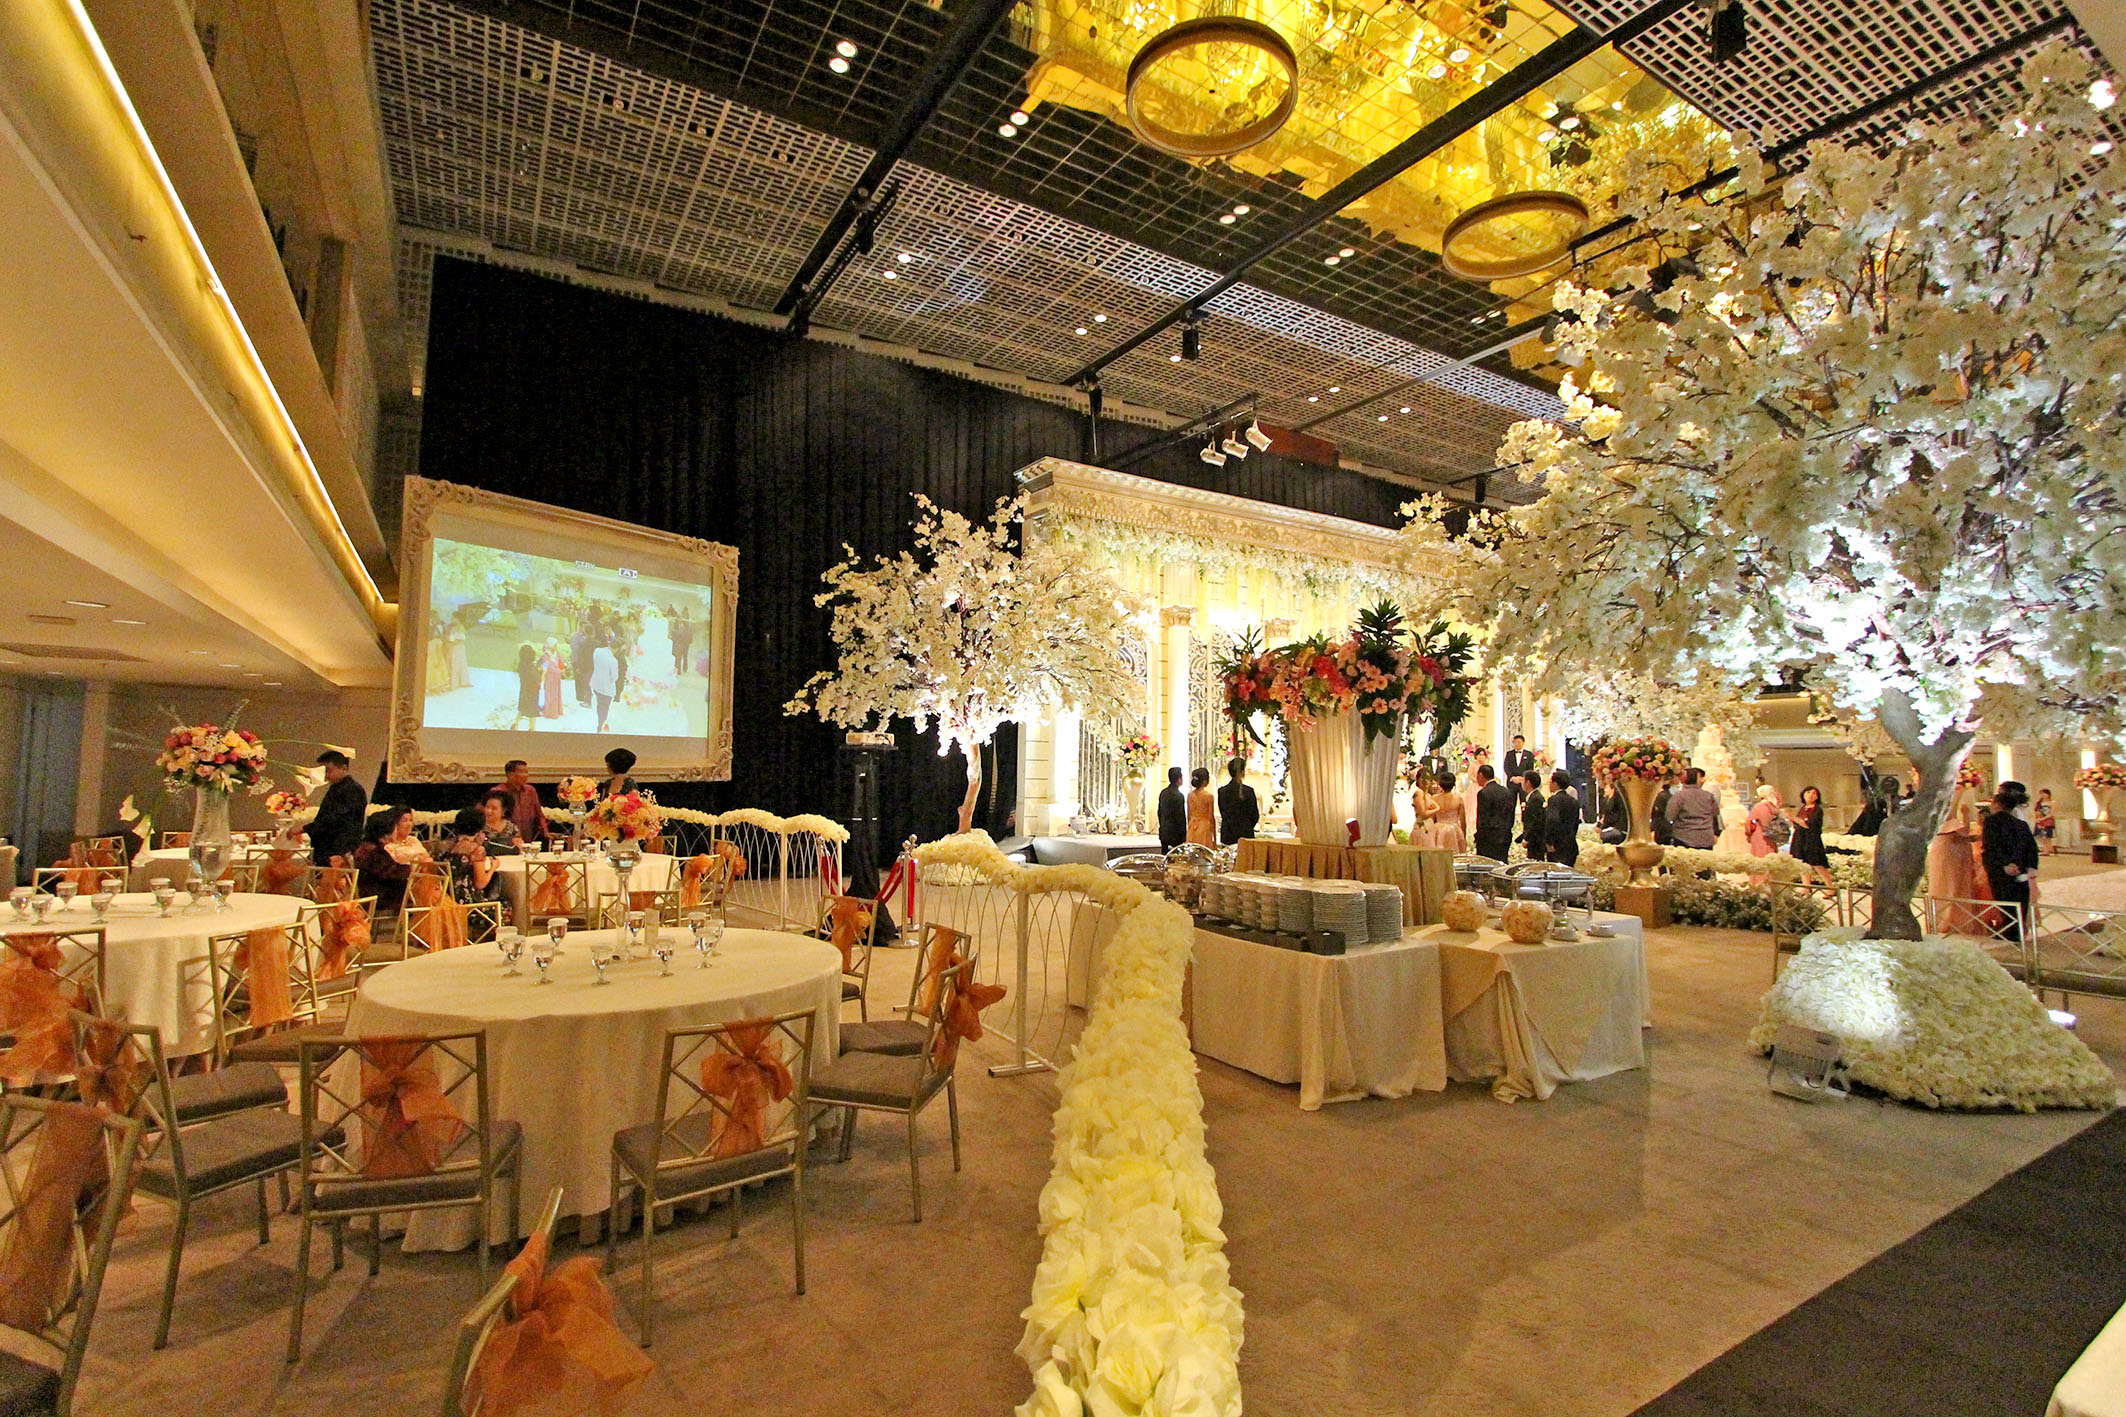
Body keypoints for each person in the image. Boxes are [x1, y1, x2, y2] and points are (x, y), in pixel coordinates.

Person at [1981, 780, 2040, 942]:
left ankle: (2011, 929)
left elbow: (1991, 846)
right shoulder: (2021, 824)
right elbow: (2031, 847)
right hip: (2021, 867)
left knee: (2004, 898)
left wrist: (2003, 864)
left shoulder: (1992, 822)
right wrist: (2030, 866)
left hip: (2002, 867)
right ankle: (2017, 929)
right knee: (2020, 898)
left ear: (1997, 804)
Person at [1928, 773, 1982, 933]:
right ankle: (1950, 921)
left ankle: (1949, 919)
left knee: (1953, 886)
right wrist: (1965, 816)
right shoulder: (1945, 822)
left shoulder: (1942, 821)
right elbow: (1963, 833)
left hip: (1950, 856)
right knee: (1952, 887)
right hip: (1949, 857)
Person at [305, 750, 367, 867]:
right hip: (329, 846)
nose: (325, 776)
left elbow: (335, 818)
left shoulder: (351, 789)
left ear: (344, 768)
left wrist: (305, 828)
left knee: (335, 876)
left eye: (328, 771)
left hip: (339, 847)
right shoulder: (337, 788)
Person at [351, 806, 418, 913]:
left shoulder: (366, 847)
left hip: (377, 894)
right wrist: (414, 868)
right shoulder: (374, 852)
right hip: (380, 899)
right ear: (387, 831)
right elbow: (395, 872)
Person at [491, 759, 552, 845]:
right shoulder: (497, 791)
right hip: (505, 842)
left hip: (527, 841)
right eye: (523, 772)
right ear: (510, 775)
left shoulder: (530, 791)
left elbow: (539, 814)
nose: (527, 775)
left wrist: (545, 831)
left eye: (527, 772)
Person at [1665, 767, 1722, 850]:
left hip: (1683, 837)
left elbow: (1670, 816)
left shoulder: (1678, 796)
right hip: (1706, 837)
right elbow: (1715, 813)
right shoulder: (1708, 796)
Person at [1787, 785, 1833, 885]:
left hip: (1812, 840)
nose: (1810, 795)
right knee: (1803, 864)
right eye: (1808, 793)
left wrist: (1793, 817)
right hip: (1800, 838)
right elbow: (1798, 824)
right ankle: (1806, 886)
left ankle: (1830, 886)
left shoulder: (1817, 810)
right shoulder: (1803, 808)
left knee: (1817, 863)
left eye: (1814, 793)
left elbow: (1809, 825)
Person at [1472, 765, 1514, 861]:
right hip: (1504, 836)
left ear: (1481, 775)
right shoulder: (1506, 791)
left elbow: (1482, 818)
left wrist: (1479, 836)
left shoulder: (1484, 793)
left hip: (1488, 838)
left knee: (1487, 864)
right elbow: (1511, 815)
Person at [1216, 758, 1258, 845]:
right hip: (1245, 832)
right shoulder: (1248, 791)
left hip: (1228, 832)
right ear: (1242, 772)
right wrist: (1247, 825)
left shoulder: (1222, 791)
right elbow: (1254, 815)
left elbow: (1223, 812)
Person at [1545, 769, 1580, 864]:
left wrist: (1549, 841)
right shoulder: (1573, 801)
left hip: (1557, 844)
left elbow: (1552, 820)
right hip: (1571, 843)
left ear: (1555, 784)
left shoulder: (1554, 800)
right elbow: (1576, 823)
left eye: (1550, 782)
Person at [1428, 769, 1467, 853]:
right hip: (1453, 829)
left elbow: (1431, 818)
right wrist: (1464, 837)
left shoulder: (1434, 798)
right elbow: (1463, 821)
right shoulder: (1458, 798)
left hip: (1437, 829)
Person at [479, 791, 525, 855]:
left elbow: (520, 848)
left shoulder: (512, 828)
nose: (489, 811)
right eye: (487, 807)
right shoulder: (479, 827)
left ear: (504, 810)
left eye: (493, 808)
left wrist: (519, 844)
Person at [1744, 785, 1785, 858]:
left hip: (1760, 836)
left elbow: (1749, 824)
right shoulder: (1774, 807)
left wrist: (1748, 833)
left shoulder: (1759, 806)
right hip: (1772, 836)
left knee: (1760, 858)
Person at [590, 633, 620, 732]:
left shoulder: (597, 651)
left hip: (596, 683)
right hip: (606, 688)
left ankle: (600, 724)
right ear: (616, 649)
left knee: (600, 705)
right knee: (604, 708)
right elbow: (614, 678)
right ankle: (601, 725)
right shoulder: (613, 660)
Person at [1156, 766, 1187, 853]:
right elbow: (1180, 817)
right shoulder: (1179, 796)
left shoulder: (1163, 793)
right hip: (1175, 833)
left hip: (1164, 830)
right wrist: (1184, 834)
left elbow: (1159, 812)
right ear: (1178, 779)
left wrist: (1162, 826)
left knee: (1165, 854)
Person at [1517, 772, 1547, 859]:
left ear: (1528, 782)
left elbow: (1535, 821)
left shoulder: (1535, 798)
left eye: (1523, 781)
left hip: (1535, 839)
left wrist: (1527, 838)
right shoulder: (1532, 797)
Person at [512, 643, 541, 731]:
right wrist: (541, 671)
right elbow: (537, 678)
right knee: (532, 713)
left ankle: (515, 724)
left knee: (522, 709)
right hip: (532, 693)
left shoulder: (522, 665)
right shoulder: (531, 668)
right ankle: (532, 729)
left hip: (524, 691)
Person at [1186, 767, 1216, 847]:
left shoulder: (1190, 795)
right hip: (1204, 827)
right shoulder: (1209, 796)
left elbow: (1189, 815)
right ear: (1205, 781)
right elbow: (1211, 817)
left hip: (1192, 826)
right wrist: (1214, 837)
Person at [539, 639, 566, 721]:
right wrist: (543, 676)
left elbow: (560, 663)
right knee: (549, 694)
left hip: (556, 676)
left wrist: (562, 669)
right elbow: (545, 666)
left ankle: (556, 710)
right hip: (550, 677)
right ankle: (549, 712)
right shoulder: (546, 655)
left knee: (556, 694)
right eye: (555, 645)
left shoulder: (556, 653)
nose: (556, 646)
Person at [570, 624, 592, 709]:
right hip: (577, 659)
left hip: (585, 661)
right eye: (583, 627)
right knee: (578, 678)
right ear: (580, 627)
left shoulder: (587, 637)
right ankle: (579, 696)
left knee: (585, 678)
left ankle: (585, 695)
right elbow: (574, 647)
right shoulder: (575, 636)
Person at [2034, 788, 2057, 856]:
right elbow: (2036, 812)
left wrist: (2043, 818)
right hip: (2039, 821)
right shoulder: (2038, 803)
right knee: (2042, 836)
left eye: (2044, 793)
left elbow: (2052, 813)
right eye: (2041, 794)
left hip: (2048, 821)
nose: (2043, 795)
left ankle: (2048, 850)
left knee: (2047, 836)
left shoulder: (2052, 802)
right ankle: (2045, 850)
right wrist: (2037, 819)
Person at [671, 611, 693, 676]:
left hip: (682, 644)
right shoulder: (678, 625)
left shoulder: (683, 625)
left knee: (682, 657)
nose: (679, 619)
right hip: (683, 644)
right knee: (681, 657)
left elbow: (677, 635)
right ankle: (681, 670)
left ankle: (682, 670)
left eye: (680, 618)